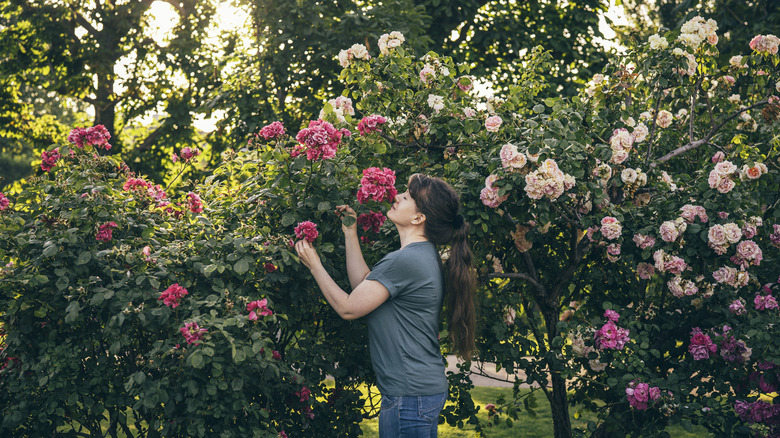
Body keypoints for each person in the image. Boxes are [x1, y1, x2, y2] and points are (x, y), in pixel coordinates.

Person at [294, 173, 477, 437]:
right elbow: (363, 286)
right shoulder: (419, 256)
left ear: (419, 218)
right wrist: (350, 233)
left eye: (408, 197)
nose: (398, 196)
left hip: (410, 397)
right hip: (414, 392)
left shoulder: (406, 261)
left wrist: (314, 265)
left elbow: (348, 307)